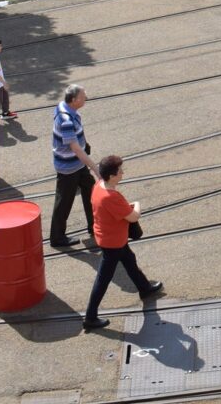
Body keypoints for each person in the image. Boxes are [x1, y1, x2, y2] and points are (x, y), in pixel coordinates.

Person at [80, 155, 164, 331]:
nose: (123, 173)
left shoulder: (98, 186)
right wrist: (137, 204)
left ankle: (145, 287)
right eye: (120, 171)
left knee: (129, 260)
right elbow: (134, 216)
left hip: (109, 237)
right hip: (113, 242)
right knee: (103, 279)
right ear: (111, 176)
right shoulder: (111, 197)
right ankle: (90, 317)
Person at [50, 84, 99, 249]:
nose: (86, 97)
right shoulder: (66, 120)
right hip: (69, 167)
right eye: (83, 96)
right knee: (64, 201)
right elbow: (76, 149)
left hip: (77, 164)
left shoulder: (64, 107)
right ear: (74, 100)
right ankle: (57, 238)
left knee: (90, 191)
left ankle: (94, 227)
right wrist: (95, 168)